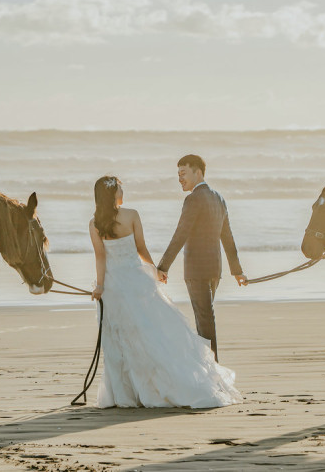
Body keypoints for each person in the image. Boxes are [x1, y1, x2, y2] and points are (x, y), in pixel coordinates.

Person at [89, 175, 241, 408]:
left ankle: (126, 393)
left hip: (113, 285)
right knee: (150, 333)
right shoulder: (131, 215)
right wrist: (155, 270)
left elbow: (101, 257)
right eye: (120, 187)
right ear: (113, 194)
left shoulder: (94, 223)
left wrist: (100, 286)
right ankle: (156, 386)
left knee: (119, 338)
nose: (123, 191)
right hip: (136, 280)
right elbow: (141, 248)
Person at [156, 154, 247, 362]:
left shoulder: (193, 199)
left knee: (204, 322)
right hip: (214, 270)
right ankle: (211, 368)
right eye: (178, 174)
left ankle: (212, 371)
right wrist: (237, 270)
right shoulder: (218, 198)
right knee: (206, 319)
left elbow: (181, 234)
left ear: (198, 172)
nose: (180, 179)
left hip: (196, 271)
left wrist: (163, 266)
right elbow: (228, 237)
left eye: (183, 173)